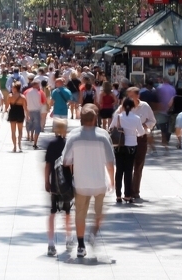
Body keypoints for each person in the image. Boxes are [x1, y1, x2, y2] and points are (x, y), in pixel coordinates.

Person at [63, 104, 114, 258]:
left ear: (81, 119)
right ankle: (93, 233)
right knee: (99, 212)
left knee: (80, 214)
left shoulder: (73, 136)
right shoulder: (103, 135)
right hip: (99, 182)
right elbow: (110, 162)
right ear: (95, 119)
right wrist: (113, 181)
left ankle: (80, 245)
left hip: (80, 183)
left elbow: (65, 160)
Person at [44, 118, 73, 256]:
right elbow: (72, 164)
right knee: (67, 212)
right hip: (66, 182)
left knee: (52, 212)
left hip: (55, 182)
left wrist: (46, 181)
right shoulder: (68, 144)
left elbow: (48, 165)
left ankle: (50, 243)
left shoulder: (51, 144)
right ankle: (68, 238)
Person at [110, 98, 146, 203]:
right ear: (133, 106)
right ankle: (128, 195)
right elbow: (140, 132)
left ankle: (118, 195)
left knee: (119, 169)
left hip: (119, 145)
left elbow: (111, 128)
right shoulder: (136, 118)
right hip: (131, 145)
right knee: (129, 170)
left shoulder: (118, 117)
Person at [24, 80, 46, 149]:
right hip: (36, 111)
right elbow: (43, 102)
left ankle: (30, 136)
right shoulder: (40, 92)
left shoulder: (27, 92)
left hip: (28, 110)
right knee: (37, 127)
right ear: (35, 85)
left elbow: (24, 101)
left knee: (30, 124)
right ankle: (35, 143)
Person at [7, 82, 28, 152]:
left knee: (13, 131)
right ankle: (19, 143)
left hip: (12, 113)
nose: (11, 88)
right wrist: (28, 115)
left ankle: (14, 146)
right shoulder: (23, 97)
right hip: (20, 113)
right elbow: (25, 107)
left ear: (15, 88)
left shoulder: (10, 96)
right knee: (20, 130)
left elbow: (7, 106)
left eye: (12, 87)